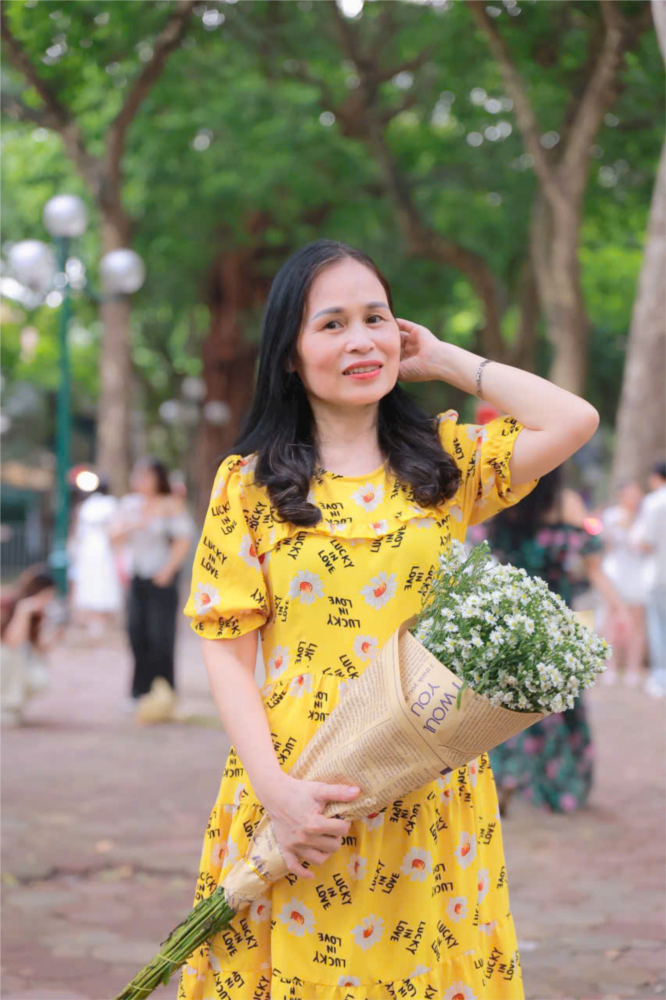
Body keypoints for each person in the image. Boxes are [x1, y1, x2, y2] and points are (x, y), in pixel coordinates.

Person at [178, 240, 600, 1000]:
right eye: (331, 324)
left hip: (425, 778)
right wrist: (276, 792)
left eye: (376, 318)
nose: (361, 340)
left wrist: (446, 360)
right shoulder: (247, 485)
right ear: (289, 355)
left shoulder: (444, 464)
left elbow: (573, 419)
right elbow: (225, 650)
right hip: (301, 784)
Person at [488, 469, 630, 815]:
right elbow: (593, 565)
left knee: (506, 697)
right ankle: (557, 784)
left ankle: (506, 773)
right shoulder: (566, 503)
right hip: (557, 616)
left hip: (512, 614)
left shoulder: (505, 499)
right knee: (558, 701)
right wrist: (618, 607)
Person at [111, 458, 194, 710]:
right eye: (139, 475)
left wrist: (168, 570)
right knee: (136, 632)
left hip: (163, 578)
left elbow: (183, 539)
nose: (142, 481)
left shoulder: (171, 505)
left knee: (161, 635)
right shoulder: (129, 505)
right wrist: (134, 523)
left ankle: (164, 691)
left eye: (147, 476)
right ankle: (139, 690)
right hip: (138, 575)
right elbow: (114, 537)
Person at [601, 481, 650, 686]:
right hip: (615, 572)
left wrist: (630, 527)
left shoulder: (645, 516)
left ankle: (633, 668)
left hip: (638, 572)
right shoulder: (611, 515)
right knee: (612, 619)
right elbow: (605, 544)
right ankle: (610, 666)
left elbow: (647, 546)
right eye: (630, 494)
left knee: (637, 620)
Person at [0, 567, 57, 726]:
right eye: (47, 595)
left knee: (38, 675)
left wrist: (53, 632)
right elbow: (13, 641)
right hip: (5, 660)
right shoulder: (8, 605)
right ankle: (6, 705)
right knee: (13, 655)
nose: (48, 600)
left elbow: (40, 649)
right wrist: (23, 611)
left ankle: (10, 706)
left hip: (15, 663)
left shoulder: (39, 614)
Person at [70, 477, 123, 637]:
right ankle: (98, 618)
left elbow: (78, 530)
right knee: (102, 579)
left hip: (88, 547)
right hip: (102, 547)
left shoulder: (86, 505)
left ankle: (95, 618)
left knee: (92, 580)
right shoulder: (110, 504)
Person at [632, 460, 666, 698]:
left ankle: (661, 677)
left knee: (658, 627)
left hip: (658, 575)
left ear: (655, 477)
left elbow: (644, 542)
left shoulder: (654, 502)